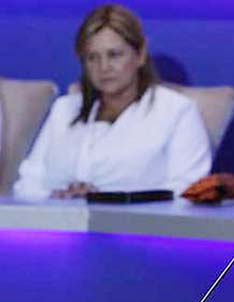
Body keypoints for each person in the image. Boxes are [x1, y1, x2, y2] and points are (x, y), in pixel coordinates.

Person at [13, 4, 211, 200]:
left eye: (114, 55)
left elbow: (187, 191)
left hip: (138, 227)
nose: (104, 67)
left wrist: (108, 199)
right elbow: (27, 184)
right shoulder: (64, 109)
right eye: (92, 58)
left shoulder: (176, 112)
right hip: (59, 225)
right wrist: (56, 196)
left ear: (140, 55)